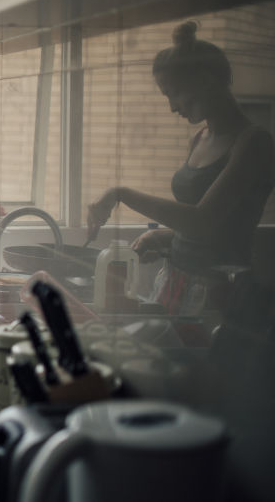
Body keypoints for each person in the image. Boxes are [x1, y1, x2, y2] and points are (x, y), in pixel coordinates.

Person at [86, 20, 274, 314]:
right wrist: (164, 238)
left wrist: (120, 192)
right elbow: (211, 229)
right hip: (176, 283)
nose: (173, 107)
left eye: (174, 93)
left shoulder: (254, 143)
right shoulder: (199, 139)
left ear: (204, 81)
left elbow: (202, 220)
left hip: (219, 296)